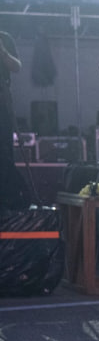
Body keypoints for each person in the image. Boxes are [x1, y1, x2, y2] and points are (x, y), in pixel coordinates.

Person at [0, 30, 31, 209]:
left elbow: (17, 67)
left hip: (2, 105)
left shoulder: (4, 38)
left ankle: (7, 200)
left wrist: (3, 52)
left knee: (4, 152)